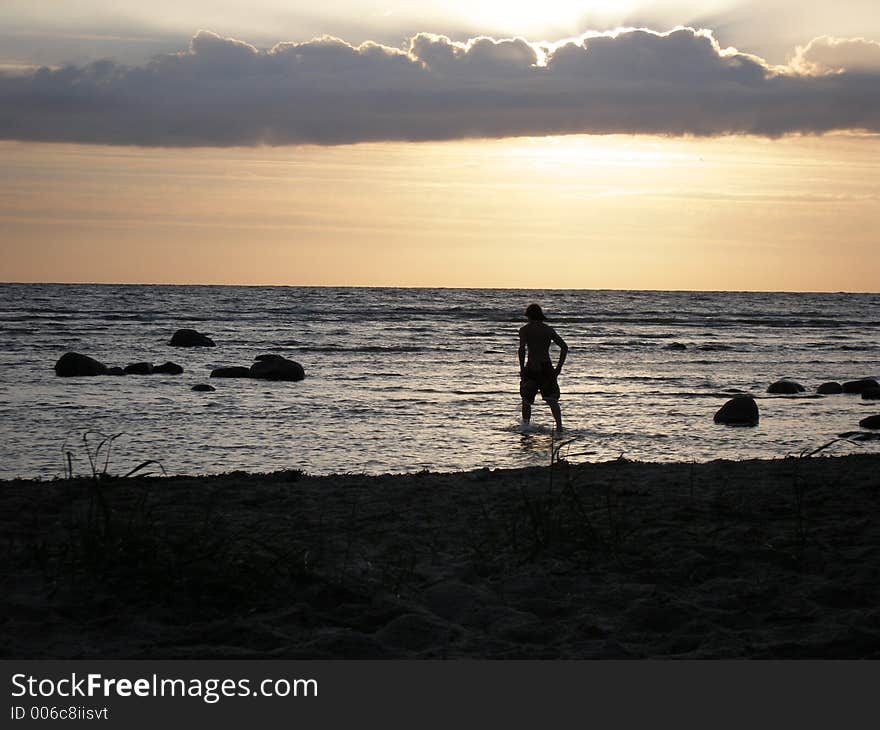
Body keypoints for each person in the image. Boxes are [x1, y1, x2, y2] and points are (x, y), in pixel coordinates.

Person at [518, 303, 568, 432]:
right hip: (546, 366)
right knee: (552, 400)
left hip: (532, 367)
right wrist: (559, 368)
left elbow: (522, 350)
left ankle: (526, 426)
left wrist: (522, 368)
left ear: (528, 315)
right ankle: (559, 427)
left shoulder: (524, 330)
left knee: (526, 400)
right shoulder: (548, 330)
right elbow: (564, 347)